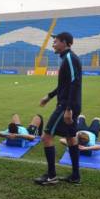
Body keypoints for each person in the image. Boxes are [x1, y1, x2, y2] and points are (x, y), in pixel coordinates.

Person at [34, 32, 82, 185]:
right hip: (69, 104)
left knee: (47, 136)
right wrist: (49, 96)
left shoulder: (69, 58)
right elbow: (64, 85)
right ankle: (75, 176)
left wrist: (68, 109)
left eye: (55, 42)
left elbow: (75, 83)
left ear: (65, 42)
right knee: (70, 138)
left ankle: (51, 175)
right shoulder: (67, 58)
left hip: (66, 106)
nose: (53, 44)